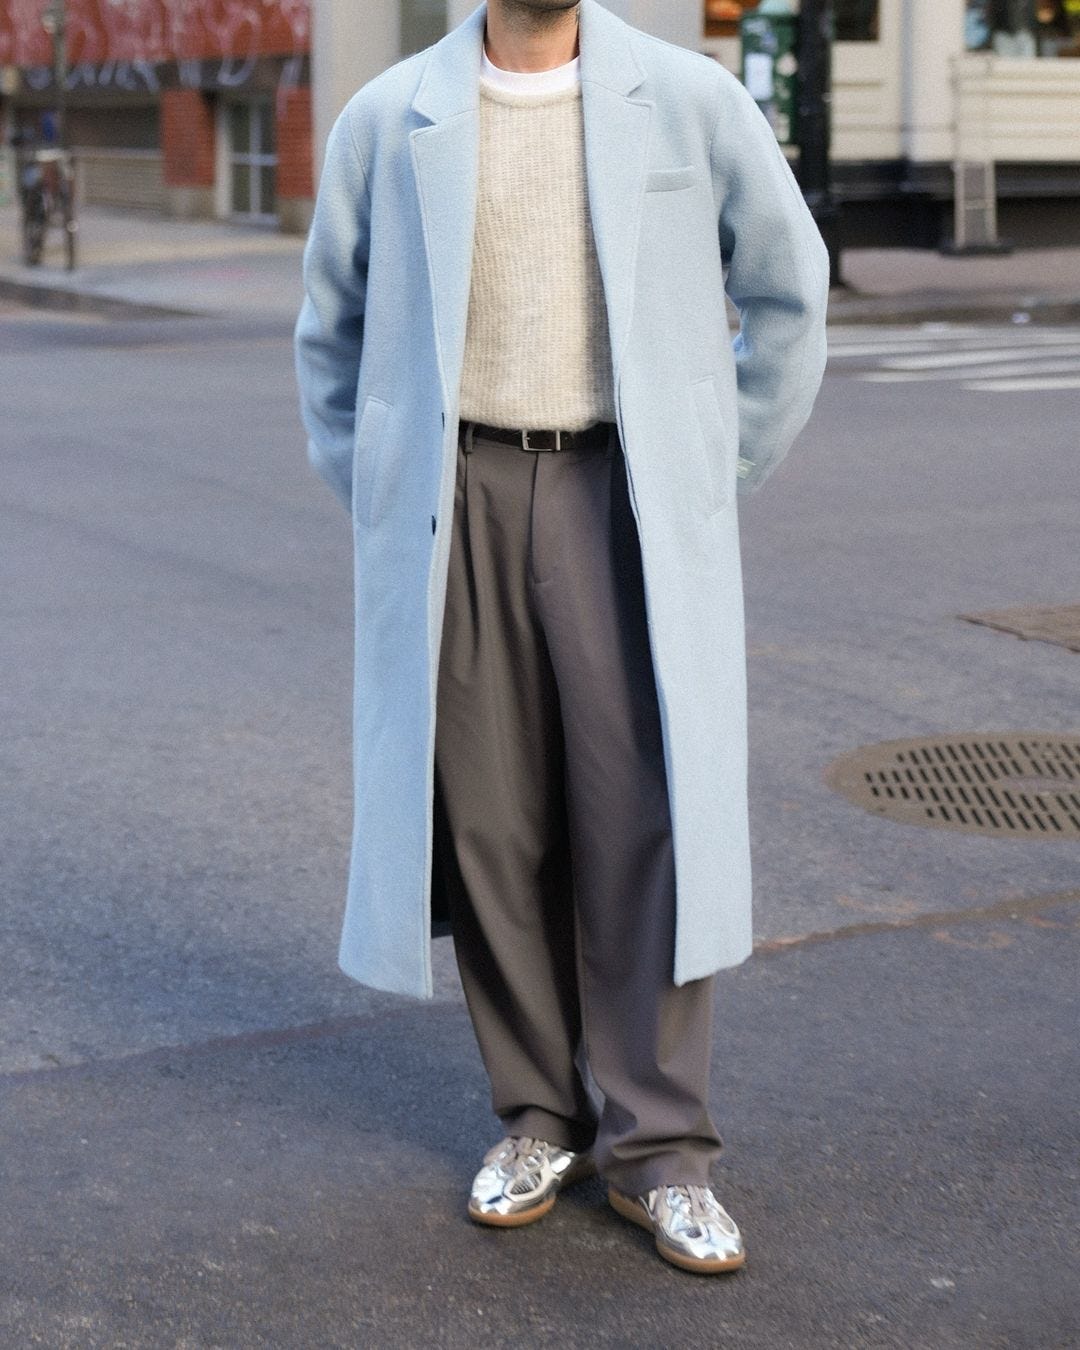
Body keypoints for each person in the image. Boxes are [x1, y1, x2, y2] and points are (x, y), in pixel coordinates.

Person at [293, 0, 828, 1276]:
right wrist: (383, 484)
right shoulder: (389, 116)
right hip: (461, 490)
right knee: (489, 821)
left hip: (621, 492)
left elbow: (787, 289)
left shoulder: (689, 99)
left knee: (643, 814)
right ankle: (540, 1117)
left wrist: (712, 465)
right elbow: (332, 333)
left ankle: (661, 1149)